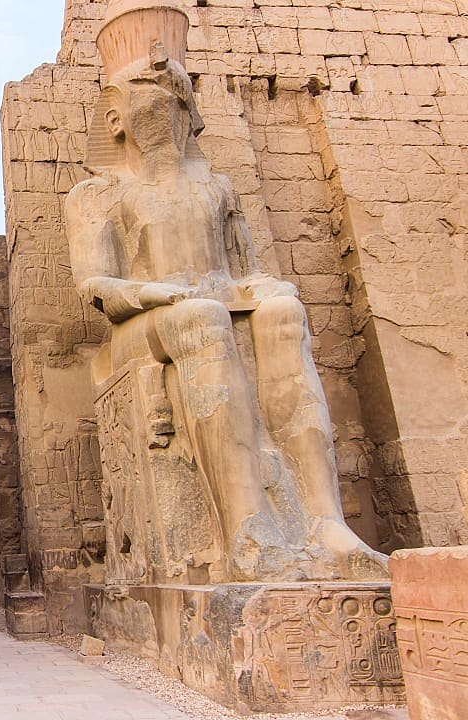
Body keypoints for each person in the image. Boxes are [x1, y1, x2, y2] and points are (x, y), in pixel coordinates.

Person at [65, 3, 386, 582]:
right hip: (142, 326)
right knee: (204, 319)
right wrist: (160, 292)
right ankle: (248, 527)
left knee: (284, 311)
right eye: (149, 98)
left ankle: (324, 520)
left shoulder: (216, 187)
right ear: (115, 118)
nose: (166, 109)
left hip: (208, 299)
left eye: (178, 97)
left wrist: (264, 284)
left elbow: (244, 266)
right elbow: (96, 286)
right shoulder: (99, 194)